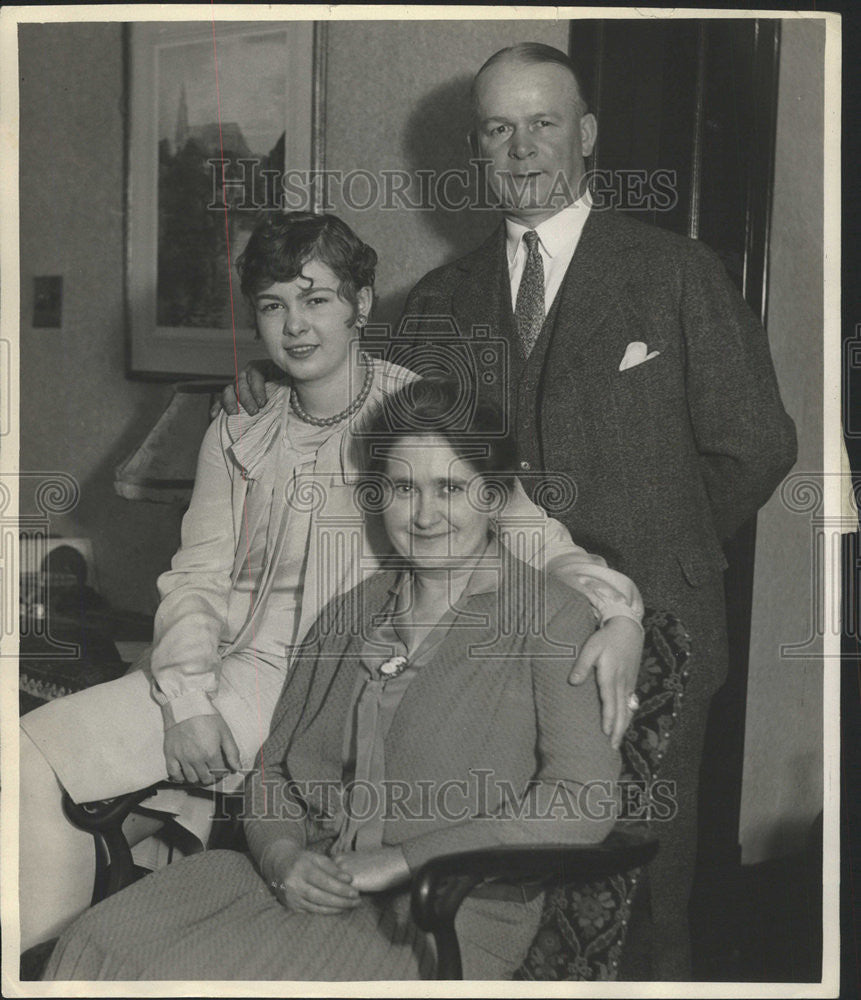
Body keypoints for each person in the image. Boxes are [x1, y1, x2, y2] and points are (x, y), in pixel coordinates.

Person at [224, 44, 798, 979]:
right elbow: (382, 411)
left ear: (587, 135)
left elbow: (759, 445)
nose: (523, 150)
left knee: (636, 890)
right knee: (476, 869)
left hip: (653, 629)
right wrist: (271, 384)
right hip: (488, 638)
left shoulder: (674, 272)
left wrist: (638, 584)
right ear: (475, 148)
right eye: (499, 129)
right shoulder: (442, 301)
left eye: (543, 123)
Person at [20, 211, 644, 953]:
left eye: (315, 299)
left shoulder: (413, 414)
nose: (295, 326)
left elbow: (538, 537)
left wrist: (619, 615)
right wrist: (185, 697)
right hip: (243, 673)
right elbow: (198, 572)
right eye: (273, 305)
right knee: (28, 751)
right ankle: (36, 962)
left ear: (361, 304)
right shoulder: (241, 424)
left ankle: (160, 875)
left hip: (343, 678)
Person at [43, 377, 622, 982]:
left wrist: (400, 860)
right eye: (402, 488)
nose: (423, 515)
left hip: (440, 912)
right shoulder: (350, 612)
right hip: (300, 881)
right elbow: (274, 772)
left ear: (497, 497)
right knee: (99, 941)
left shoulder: (554, 616)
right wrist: (280, 854)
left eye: (450, 488)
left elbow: (583, 799)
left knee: (191, 975)